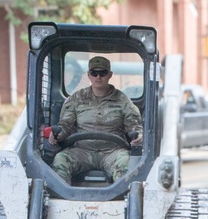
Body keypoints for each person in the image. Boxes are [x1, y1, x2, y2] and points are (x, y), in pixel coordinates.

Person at [49, 55, 143, 183]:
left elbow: (134, 126)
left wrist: (138, 136)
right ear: (88, 75)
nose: (98, 77)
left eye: (102, 73)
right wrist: (57, 135)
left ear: (110, 75)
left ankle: (123, 200)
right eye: (94, 73)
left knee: (125, 164)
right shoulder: (76, 98)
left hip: (112, 152)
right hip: (82, 151)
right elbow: (65, 125)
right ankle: (62, 200)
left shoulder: (123, 100)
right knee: (60, 160)